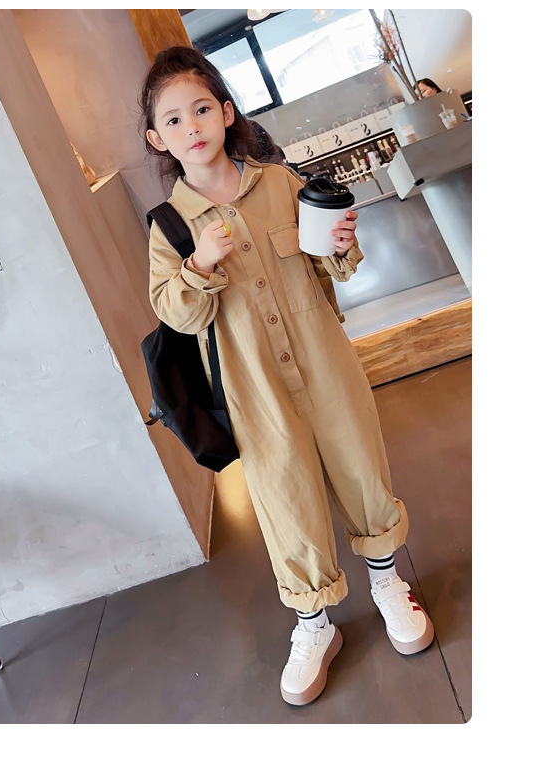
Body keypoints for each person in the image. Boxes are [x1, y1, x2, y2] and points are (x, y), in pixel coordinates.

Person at [140, 46, 434, 707]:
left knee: (360, 467)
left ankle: (386, 582)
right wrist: (198, 266)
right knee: (285, 496)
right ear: (158, 139)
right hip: (254, 390)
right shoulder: (169, 227)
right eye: (173, 120)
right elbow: (176, 315)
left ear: (226, 112)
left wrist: (341, 244)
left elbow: (336, 264)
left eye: (201, 109)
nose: (191, 127)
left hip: (324, 363)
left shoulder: (280, 184)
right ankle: (314, 623)